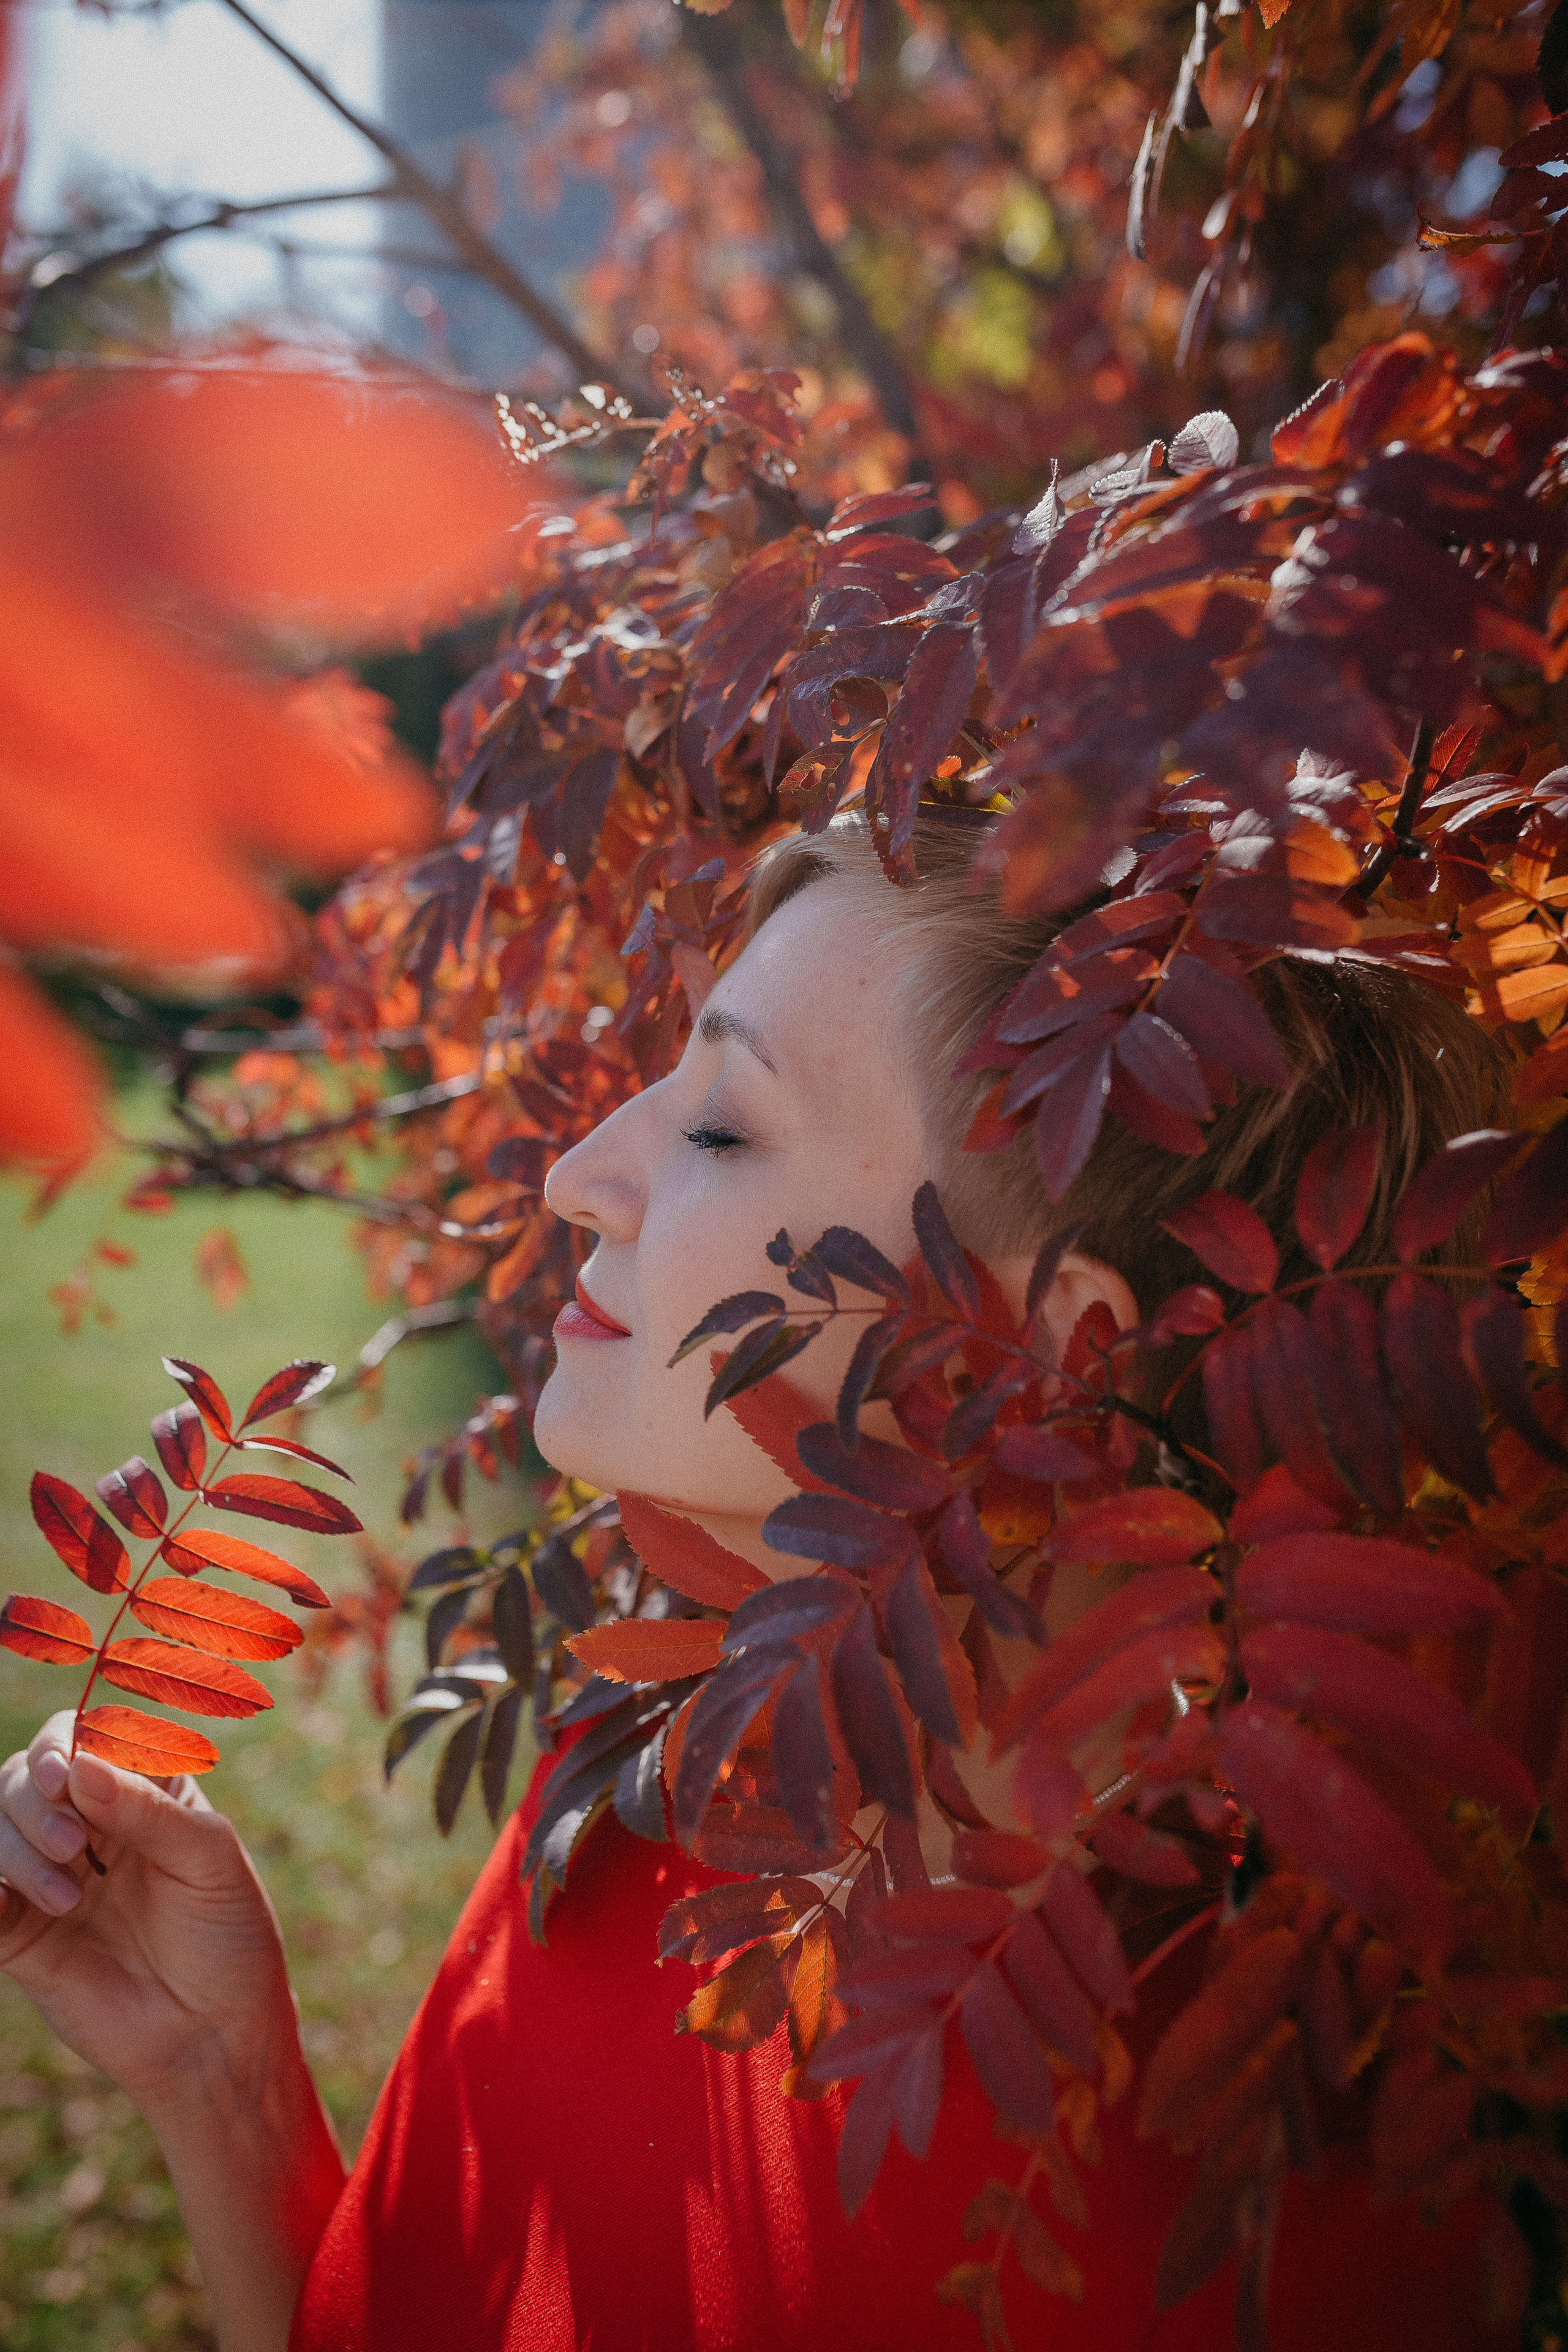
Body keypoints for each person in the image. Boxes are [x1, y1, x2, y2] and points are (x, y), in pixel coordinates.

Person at [0, 810, 1511, 2352]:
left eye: (719, 1128)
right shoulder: (654, 1789)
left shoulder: (1238, 2224)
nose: (578, 1176)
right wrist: (219, 2084)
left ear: (1062, 1352)